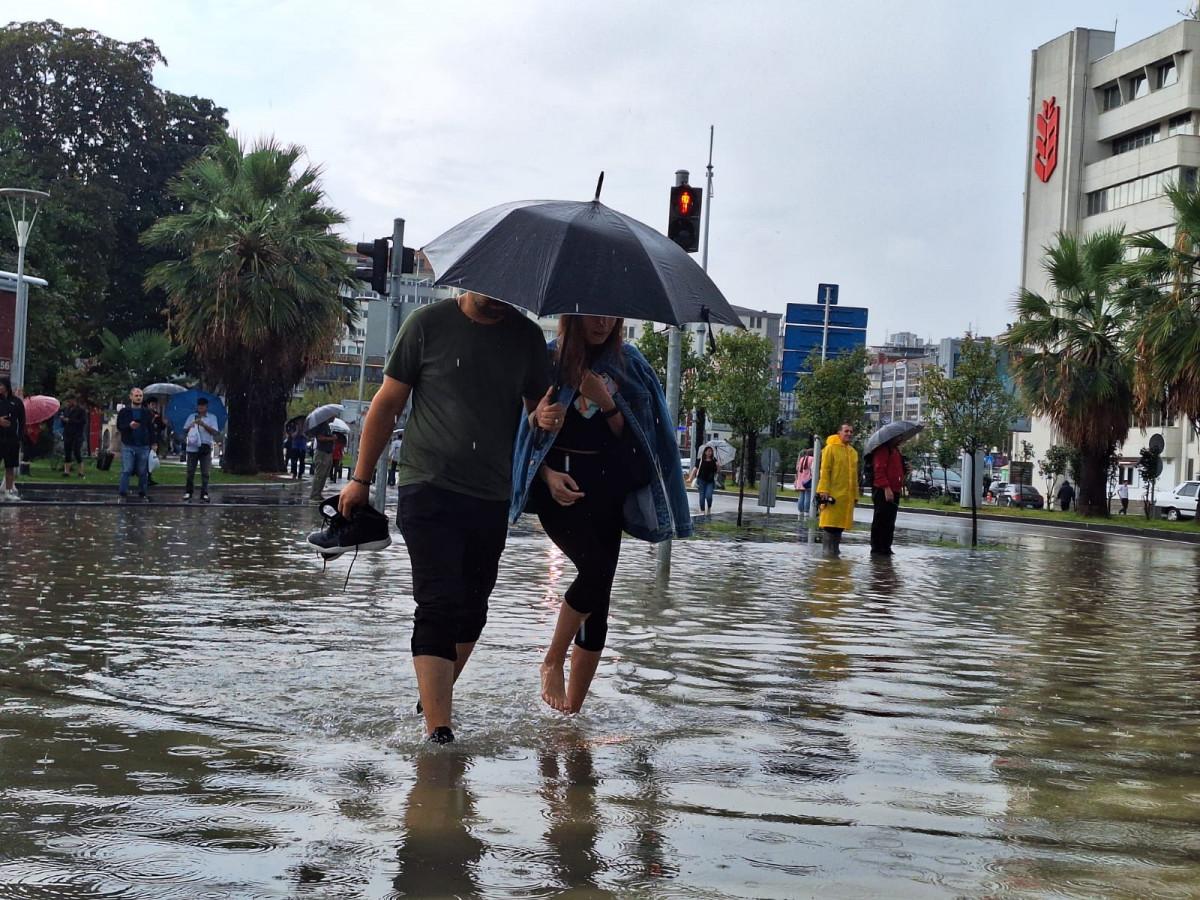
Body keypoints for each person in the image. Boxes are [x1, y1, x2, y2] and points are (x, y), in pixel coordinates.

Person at [336, 290, 560, 744]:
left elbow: (536, 409)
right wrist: (359, 479)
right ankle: (440, 731)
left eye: (506, 294)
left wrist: (544, 418)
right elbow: (386, 403)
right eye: (489, 292)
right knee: (438, 602)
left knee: (472, 611)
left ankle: (430, 697)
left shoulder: (526, 337)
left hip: (493, 493)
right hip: (428, 485)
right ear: (467, 279)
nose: (498, 301)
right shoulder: (426, 324)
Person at [512, 314, 693, 716]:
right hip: (558, 490)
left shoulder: (629, 363)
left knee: (600, 598)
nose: (602, 323)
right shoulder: (546, 362)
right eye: (593, 315)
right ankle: (552, 659)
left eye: (611, 316)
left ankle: (571, 716)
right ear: (572, 316)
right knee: (592, 572)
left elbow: (638, 443)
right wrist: (544, 462)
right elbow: (520, 433)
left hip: (609, 492)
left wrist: (607, 401)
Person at [815, 422, 859, 556]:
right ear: (839, 433)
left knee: (839, 527)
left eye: (851, 432)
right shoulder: (830, 448)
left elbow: (854, 476)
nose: (849, 434)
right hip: (832, 495)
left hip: (845, 497)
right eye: (846, 431)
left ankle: (835, 553)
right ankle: (828, 556)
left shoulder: (853, 452)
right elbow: (825, 470)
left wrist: (855, 495)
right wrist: (823, 490)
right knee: (830, 526)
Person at [116, 387, 154, 502]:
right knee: (127, 469)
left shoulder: (147, 412)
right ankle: (122, 493)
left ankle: (142, 492)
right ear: (131, 397)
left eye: (140, 396)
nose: (138, 398)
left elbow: (150, 428)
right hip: (128, 444)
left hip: (143, 445)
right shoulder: (124, 412)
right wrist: (129, 426)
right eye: (136, 395)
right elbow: (120, 426)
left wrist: (154, 443)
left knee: (143, 471)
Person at [868, 436, 905, 555]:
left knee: (890, 520)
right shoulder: (883, 450)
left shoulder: (895, 451)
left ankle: (886, 546)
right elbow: (879, 470)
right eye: (898, 438)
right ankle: (877, 547)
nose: (900, 440)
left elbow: (895, 469)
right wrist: (886, 488)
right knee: (881, 519)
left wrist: (905, 469)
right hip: (883, 490)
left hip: (895, 489)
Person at [183, 397, 219, 502]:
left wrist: (204, 425)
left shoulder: (212, 418)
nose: (201, 408)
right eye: (199, 406)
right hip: (192, 447)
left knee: (205, 472)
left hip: (205, 446)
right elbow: (185, 430)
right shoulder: (191, 416)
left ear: (206, 407)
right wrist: (191, 425)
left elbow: (215, 432)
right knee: (190, 471)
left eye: (203, 406)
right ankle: (188, 492)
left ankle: (204, 493)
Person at [0, 377, 25, 501]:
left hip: (11, 439)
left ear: (6, 386)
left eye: (1, 385)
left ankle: (9, 491)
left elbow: (22, 421)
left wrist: (19, 438)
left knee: (10, 466)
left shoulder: (16, 402)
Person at [308, 419, 336, 502]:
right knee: (319, 474)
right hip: (322, 453)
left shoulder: (327, 426)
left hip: (327, 452)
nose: (335, 417)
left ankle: (318, 493)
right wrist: (332, 438)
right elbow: (320, 438)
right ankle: (314, 494)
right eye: (334, 415)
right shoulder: (322, 425)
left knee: (324, 474)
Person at [61, 395, 87, 478]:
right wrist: (63, 420)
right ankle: (66, 471)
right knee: (67, 451)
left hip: (77, 434)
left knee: (77, 452)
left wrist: (70, 420)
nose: (69, 403)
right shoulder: (67, 410)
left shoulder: (81, 411)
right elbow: (64, 422)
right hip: (68, 433)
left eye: (70, 401)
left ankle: (81, 471)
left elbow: (82, 422)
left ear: (74, 401)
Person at [690, 445, 719, 515]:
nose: (710, 453)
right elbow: (695, 469)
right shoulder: (700, 460)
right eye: (708, 451)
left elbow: (717, 471)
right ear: (705, 452)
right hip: (701, 480)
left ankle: (709, 507)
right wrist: (690, 478)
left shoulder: (714, 460)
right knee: (702, 497)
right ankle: (702, 511)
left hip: (710, 481)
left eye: (711, 451)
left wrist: (718, 465)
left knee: (709, 496)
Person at [794, 448, 813, 517]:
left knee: (801, 496)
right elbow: (813, 469)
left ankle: (800, 511)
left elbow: (797, 468)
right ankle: (806, 511)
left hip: (801, 481)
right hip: (808, 481)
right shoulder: (812, 459)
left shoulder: (802, 459)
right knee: (808, 496)